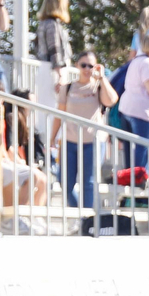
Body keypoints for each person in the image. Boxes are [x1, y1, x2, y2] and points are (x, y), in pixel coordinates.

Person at [57, 50, 117, 208]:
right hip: (70, 142)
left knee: (88, 183)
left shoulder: (98, 87)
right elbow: (59, 114)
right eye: (83, 65)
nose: (87, 69)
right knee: (64, 183)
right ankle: (81, 216)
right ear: (77, 66)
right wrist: (52, 139)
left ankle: (87, 222)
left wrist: (102, 77)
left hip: (93, 142)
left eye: (91, 65)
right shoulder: (68, 88)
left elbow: (111, 100)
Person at [0, 77, 47, 207]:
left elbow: (3, 147)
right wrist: (17, 161)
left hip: (4, 160)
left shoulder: (1, 118)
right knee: (33, 177)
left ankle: (30, 218)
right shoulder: (7, 117)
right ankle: (15, 216)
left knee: (42, 179)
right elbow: (8, 149)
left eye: (1, 96)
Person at [119, 29, 149, 168]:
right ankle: (139, 178)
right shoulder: (148, 64)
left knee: (129, 147)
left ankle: (129, 177)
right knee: (143, 147)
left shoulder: (135, 61)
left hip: (127, 108)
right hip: (143, 112)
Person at [34, 0, 74, 139]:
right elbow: (54, 50)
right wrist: (61, 76)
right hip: (53, 71)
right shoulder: (52, 25)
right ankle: (52, 145)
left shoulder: (44, 23)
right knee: (54, 109)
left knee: (47, 110)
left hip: (47, 70)